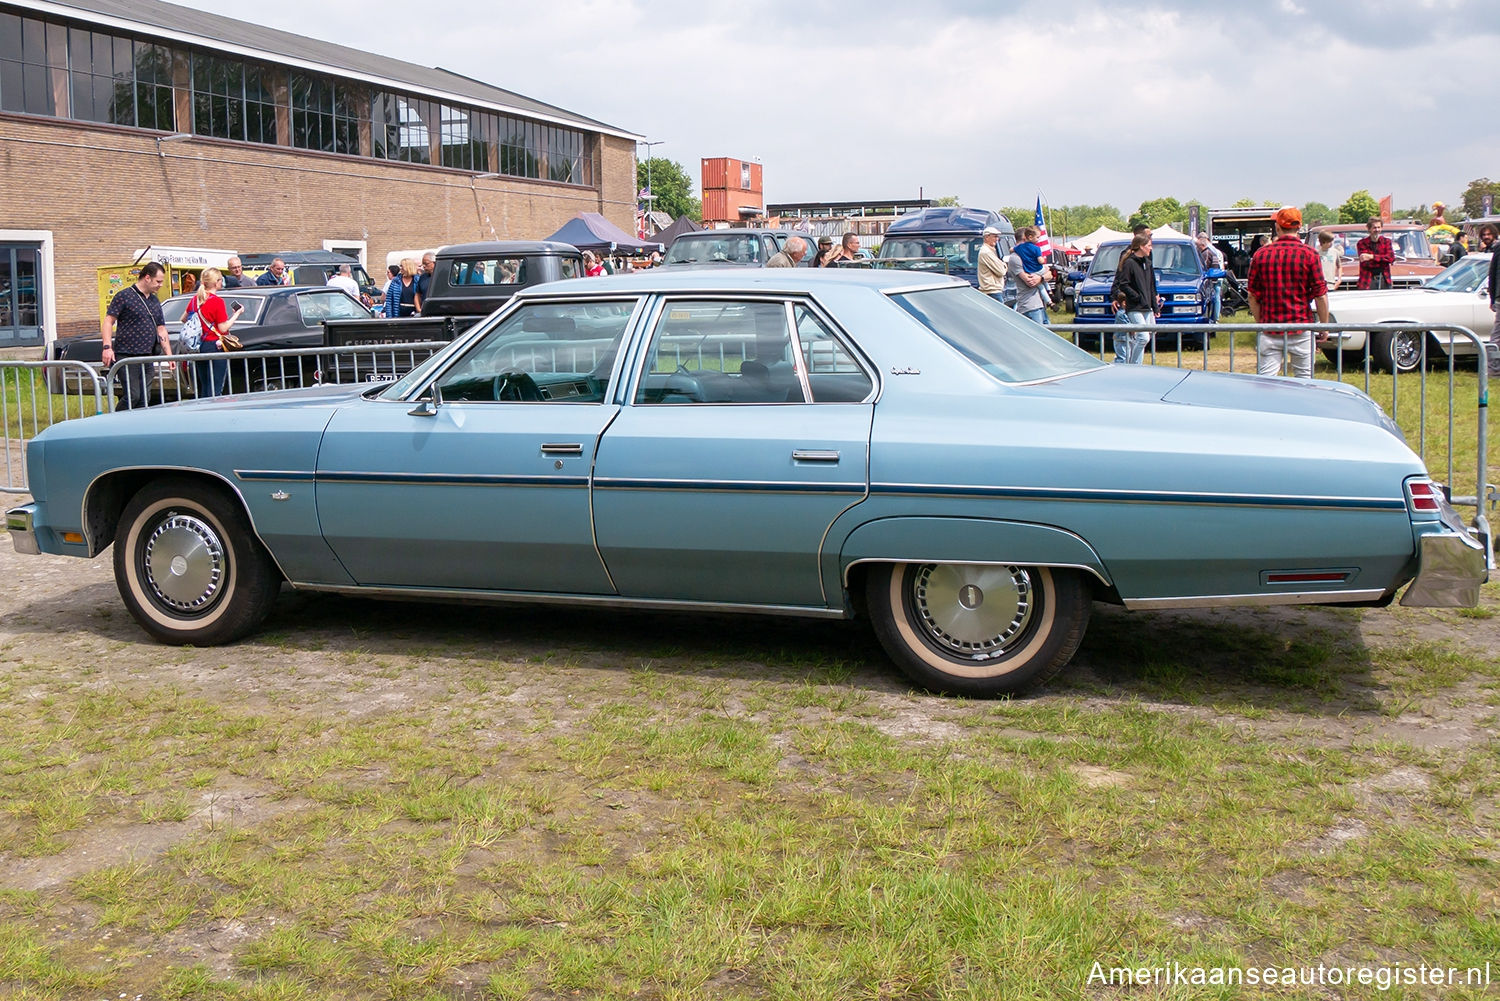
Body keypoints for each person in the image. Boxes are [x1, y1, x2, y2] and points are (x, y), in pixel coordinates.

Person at [1247, 206, 1329, 378]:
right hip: (1301, 327)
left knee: (1266, 383)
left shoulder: (1261, 255)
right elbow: (1320, 295)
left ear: (1277, 227)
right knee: (1304, 382)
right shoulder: (1310, 254)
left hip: (1270, 327)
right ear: (1299, 227)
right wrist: (1324, 325)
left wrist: (1261, 322)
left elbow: (1253, 296)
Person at [101, 261, 172, 410]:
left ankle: (137, 428)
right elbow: (108, 321)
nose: (160, 285)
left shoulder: (154, 300)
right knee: (133, 396)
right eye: (158, 281)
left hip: (147, 356)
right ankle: (114, 422)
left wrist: (169, 355)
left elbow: (161, 329)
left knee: (144, 398)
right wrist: (107, 347)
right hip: (127, 355)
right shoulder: (124, 296)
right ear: (147, 278)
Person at [186, 266, 242, 399]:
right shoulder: (217, 301)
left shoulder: (195, 299)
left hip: (199, 346)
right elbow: (223, 328)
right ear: (217, 282)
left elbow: (184, 318)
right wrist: (236, 314)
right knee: (216, 387)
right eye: (221, 280)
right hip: (214, 346)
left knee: (204, 385)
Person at [1109, 232, 1160, 364]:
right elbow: (1123, 284)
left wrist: (1155, 306)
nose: (1151, 248)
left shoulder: (1148, 263)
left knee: (1147, 336)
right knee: (1143, 337)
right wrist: (1136, 297)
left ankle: (1138, 365)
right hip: (1135, 307)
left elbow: (1152, 286)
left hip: (1147, 306)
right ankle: (1133, 365)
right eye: (1149, 245)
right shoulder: (1129, 263)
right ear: (1141, 246)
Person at [1005, 226, 1052, 324]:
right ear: (1025, 239)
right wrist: (1043, 276)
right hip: (1029, 305)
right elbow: (1030, 281)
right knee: (1038, 335)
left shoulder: (1030, 256)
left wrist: (1042, 277)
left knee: (1046, 333)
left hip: (1039, 304)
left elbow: (1050, 275)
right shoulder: (1015, 258)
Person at [1355, 216, 1394, 290]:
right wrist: (1383, 260)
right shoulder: (1362, 243)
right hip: (1367, 281)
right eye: (1374, 227)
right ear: (1369, 228)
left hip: (1385, 280)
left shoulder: (1386, 242)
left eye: (1379, 227)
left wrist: (1371, 257)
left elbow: (1391, 258)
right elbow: (1366, 263)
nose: (1377, 230)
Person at [1195, 232, 1225, 321]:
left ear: (1202, 244)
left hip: (1213, 278)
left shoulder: (1206, 253)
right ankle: (1215, 317)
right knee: (1216, 297)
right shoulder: (1215, 250)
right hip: (1217, 276)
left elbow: (1204, 267)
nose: (1198, 248)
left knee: (1214, 298)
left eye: (1198, 246)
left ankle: (1214, 318)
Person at [977, 225, 1008, 303]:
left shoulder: (990, 250)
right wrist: (1004, 265)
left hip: (993, 291)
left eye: (997, 237)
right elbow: (1001, 271)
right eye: (994, 236)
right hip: (992, 291)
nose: (997, 239)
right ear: (987, 237)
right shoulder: (986, 252)